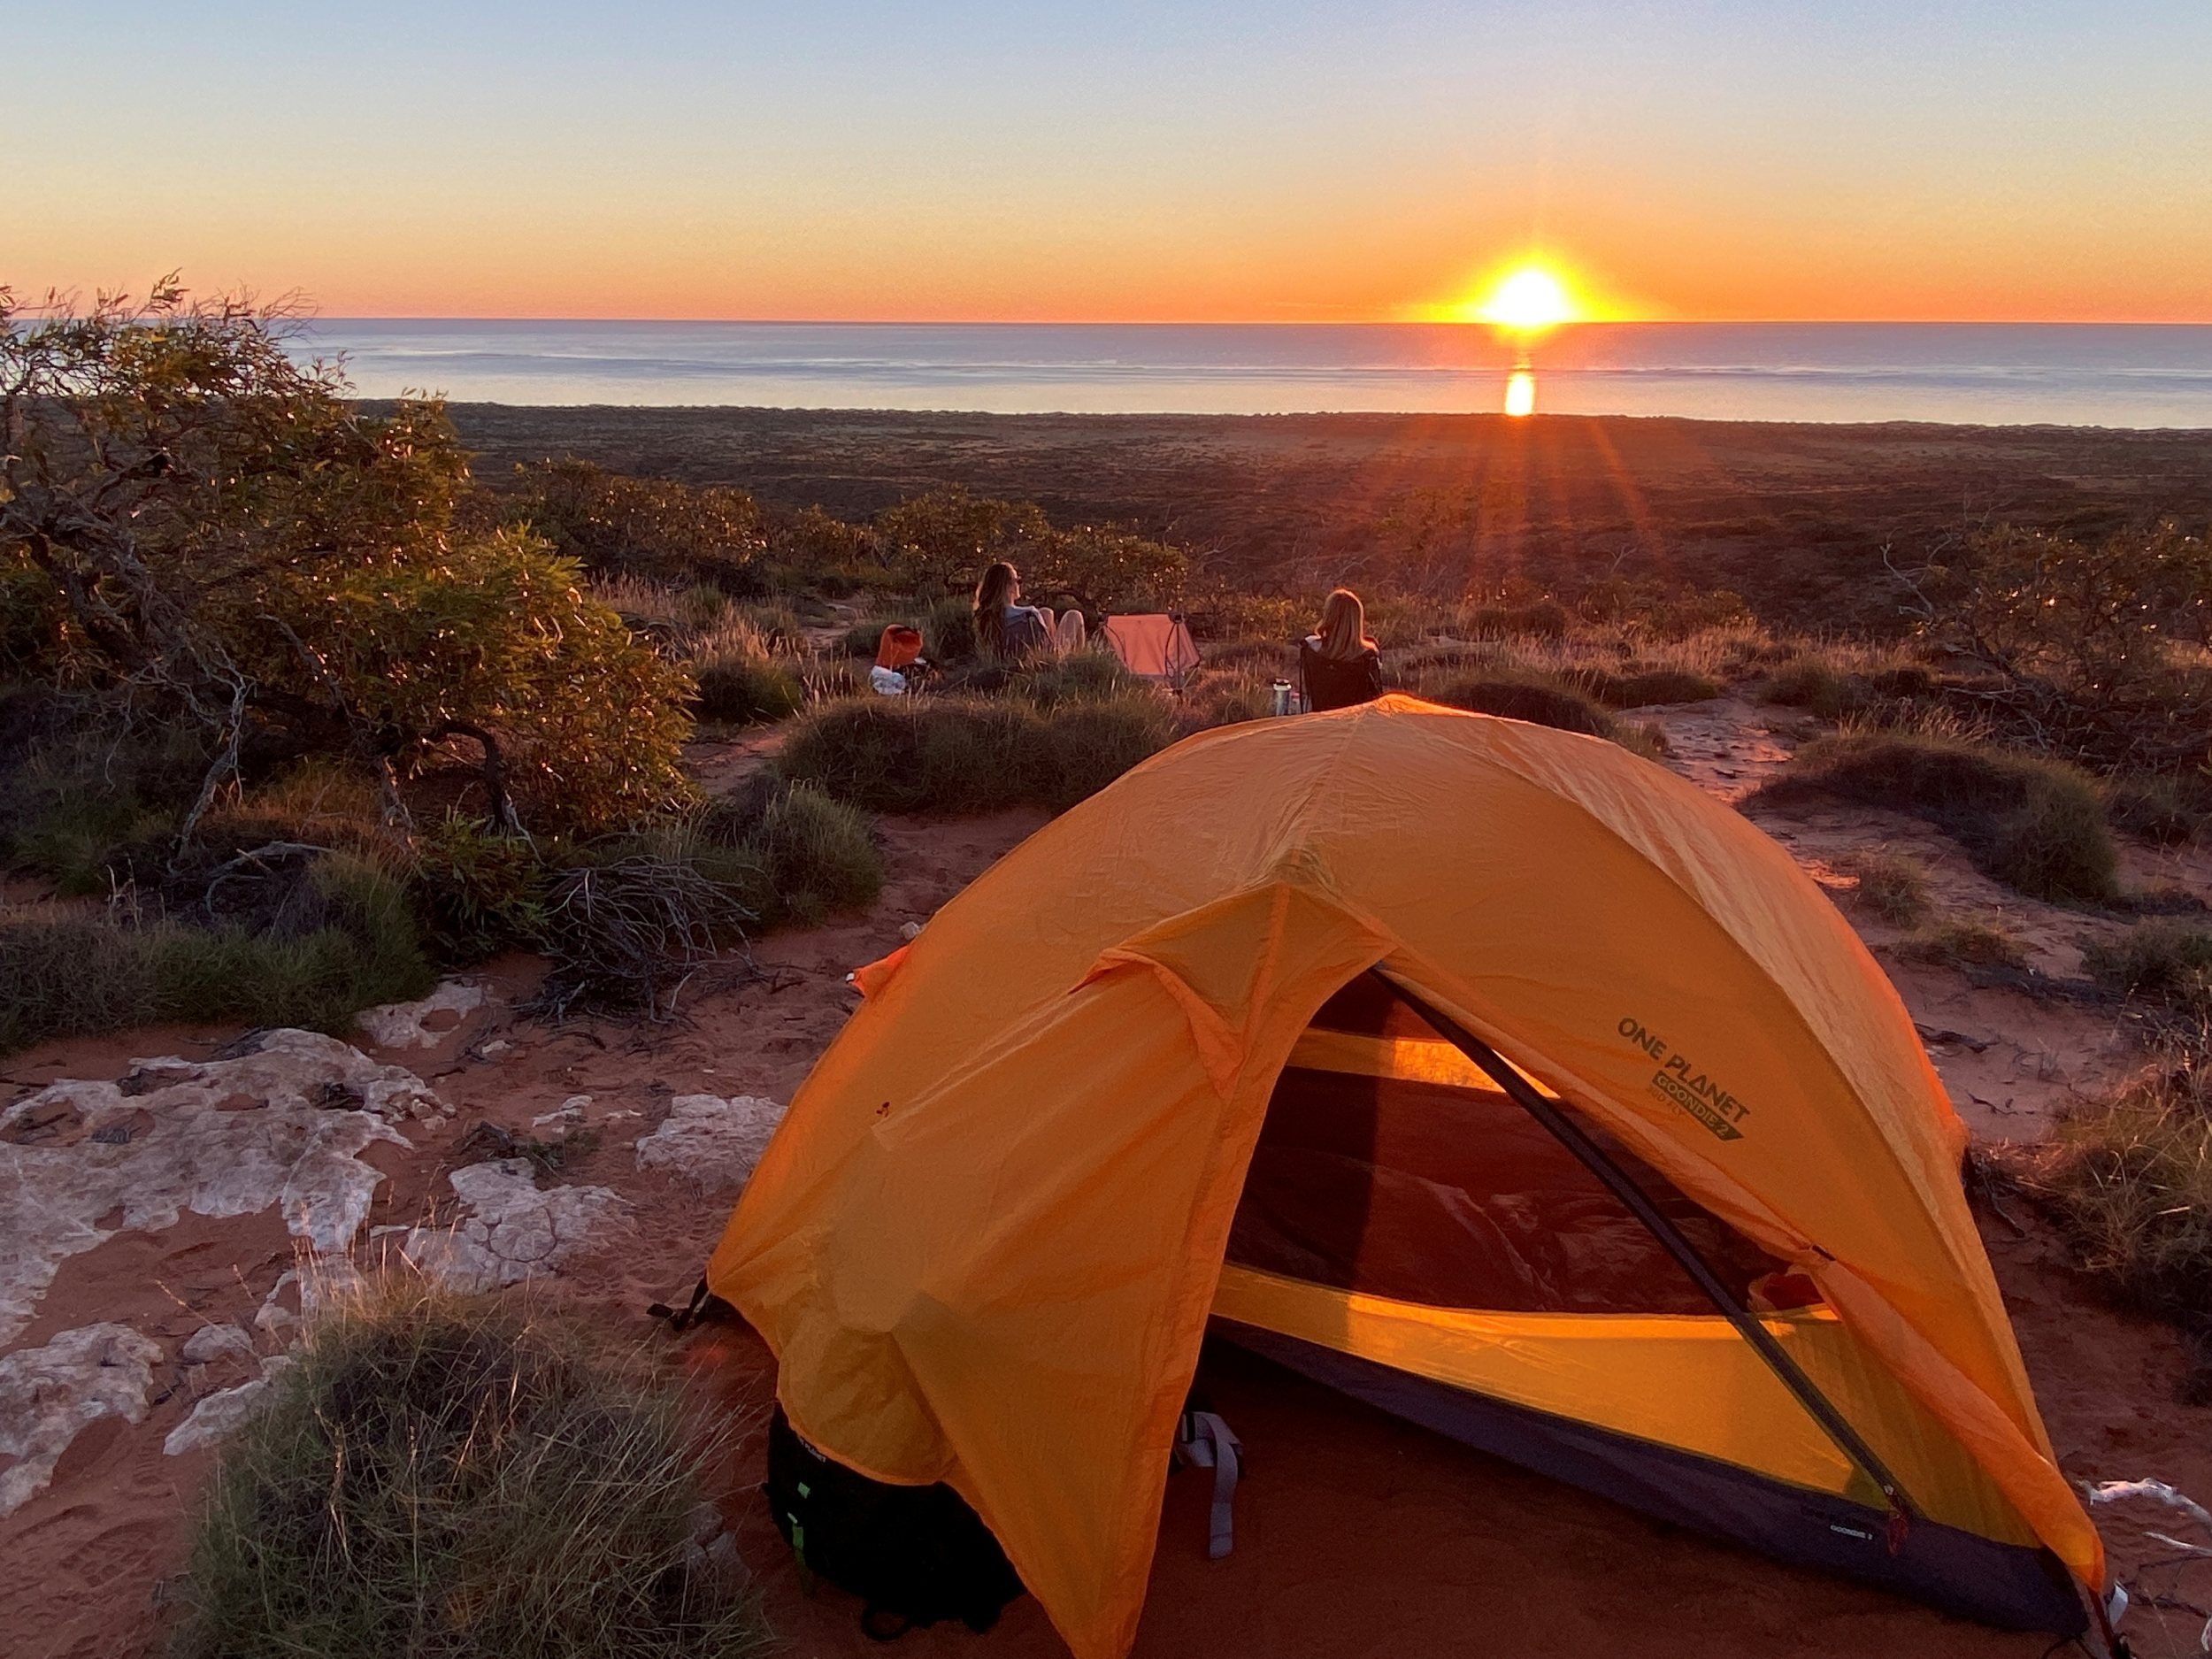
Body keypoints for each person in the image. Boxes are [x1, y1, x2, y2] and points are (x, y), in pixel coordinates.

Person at [972, 562, 1085, 661]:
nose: (1019, 585)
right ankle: (1079, 665)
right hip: (1044, 661)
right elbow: (1043, 644)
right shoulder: (1028, 614)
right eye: (1018, 581)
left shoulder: (985, 616)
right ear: (1008, 586)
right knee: (1074, 615)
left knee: (1046, 612)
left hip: (1010, 659)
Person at [1298, 588, 1386, 712]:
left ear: (1328, 615)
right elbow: (1374, 698)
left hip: (1319, 718)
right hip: (1354, 724)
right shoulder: (1368, 655)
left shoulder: (1310, 647)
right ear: (1357, 620)